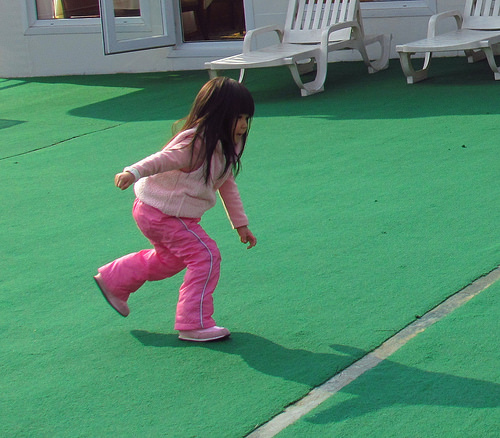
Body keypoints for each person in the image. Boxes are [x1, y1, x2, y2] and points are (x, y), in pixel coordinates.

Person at [94, 77, 257, 342]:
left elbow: (227, 184)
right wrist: (133, 172)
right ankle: (194, 323)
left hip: (157, 211)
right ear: (217, 115)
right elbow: (163, 159)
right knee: (206, 256)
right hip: (163, 213)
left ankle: (115, 280)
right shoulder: (196, 145)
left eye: (246, 118)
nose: (243, 125)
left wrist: (241, 224)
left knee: (170, 260)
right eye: (237, 117)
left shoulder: (225, 147)